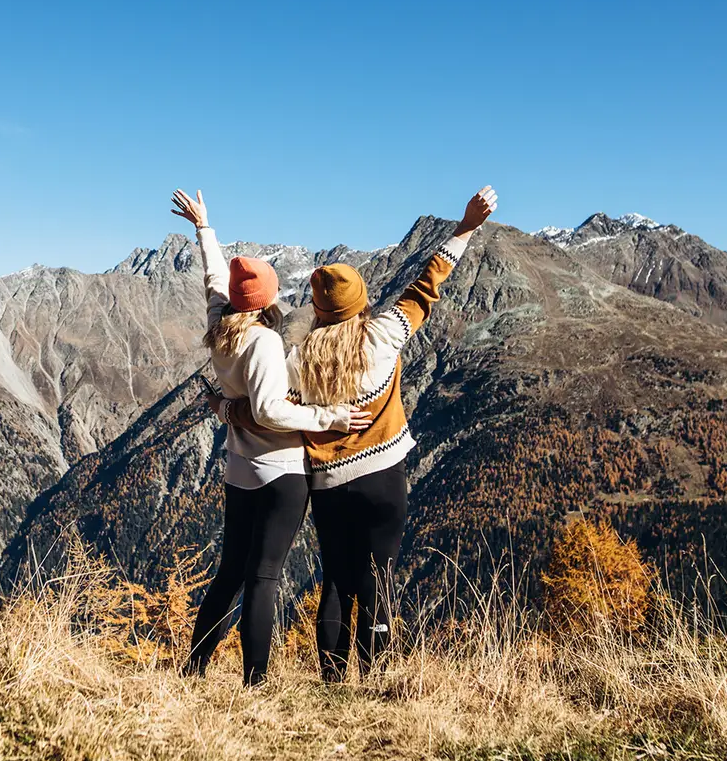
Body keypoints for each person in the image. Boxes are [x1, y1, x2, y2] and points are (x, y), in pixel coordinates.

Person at [218, 186, 498, 681]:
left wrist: (226, 407)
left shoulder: (299, 360)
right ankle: (376, 676)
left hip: (326, 482)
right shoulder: (387, 331)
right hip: (384, 477)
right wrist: (465, 228)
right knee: (379, 579)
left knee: (334, 583)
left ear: (318, 310)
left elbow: (269, 410)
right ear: (361, 302)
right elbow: (425, 285)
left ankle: (332, 677)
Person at [169, 189, 368, 686]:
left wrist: (204, 227)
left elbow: (216, 278)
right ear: (270, 300)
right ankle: (254, 682)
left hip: (239, 470)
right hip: (280, 472)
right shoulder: (262, 340)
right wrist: (331, 418)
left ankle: (195, 667)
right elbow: (271, 410)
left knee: (230, 571)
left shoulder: (220, 324)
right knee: (264, 577)